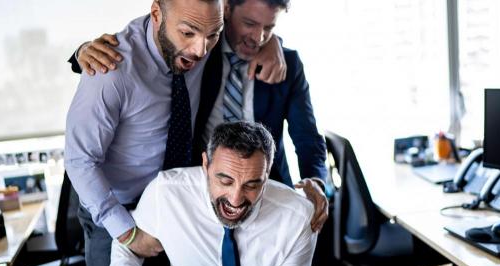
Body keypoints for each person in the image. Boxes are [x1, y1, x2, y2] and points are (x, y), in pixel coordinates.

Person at [72, 0, 329, 232]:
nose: (257, 38)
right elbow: (162, 28)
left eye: (268, 28)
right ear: (226, 10)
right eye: (249, 23)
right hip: (197, 199)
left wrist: (316, 181)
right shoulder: (199, 51)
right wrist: (82, 50)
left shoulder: (285, 62)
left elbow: (308, 137)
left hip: (265, 197)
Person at [100, 121, 346, 266]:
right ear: (206, 165)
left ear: (268, 173)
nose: (236, 199)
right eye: (225, 180)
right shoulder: (167, 193)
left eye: (252, 184)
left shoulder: (296, 216)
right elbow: (126, 242)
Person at [64, 0, 224, 266]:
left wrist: (270, 46)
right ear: (156, 15)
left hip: (172, 200)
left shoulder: (205, 34)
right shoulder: (111, 70)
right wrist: (128, 234)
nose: (200, 49)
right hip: (114, 203)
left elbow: (251, 25)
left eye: (212, 35)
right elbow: (79, 161)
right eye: (188, 33)